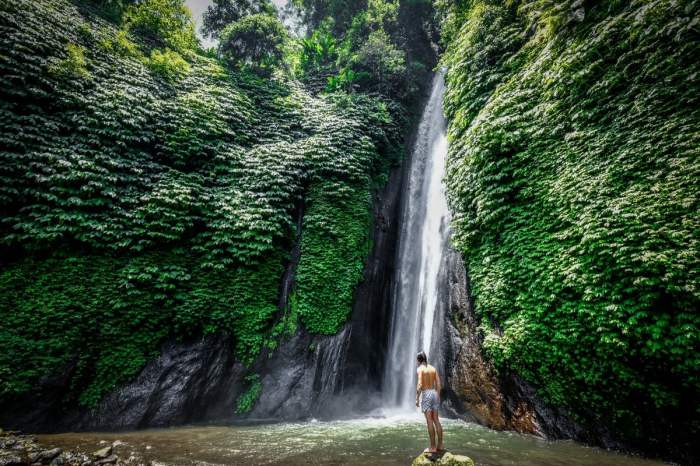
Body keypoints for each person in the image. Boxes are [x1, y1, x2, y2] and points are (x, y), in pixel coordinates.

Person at [415, 351, 444, 454]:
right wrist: (438, 396)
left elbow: (419, 384)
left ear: (419, 360)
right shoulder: (433, 368)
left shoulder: (420, 369)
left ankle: (432, 447)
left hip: (426, 394)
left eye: (417, 360)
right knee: (436, 419)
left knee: (429, 421)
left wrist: (417, 398)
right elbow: (439, 384)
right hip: (434, 393)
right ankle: (440, 445)